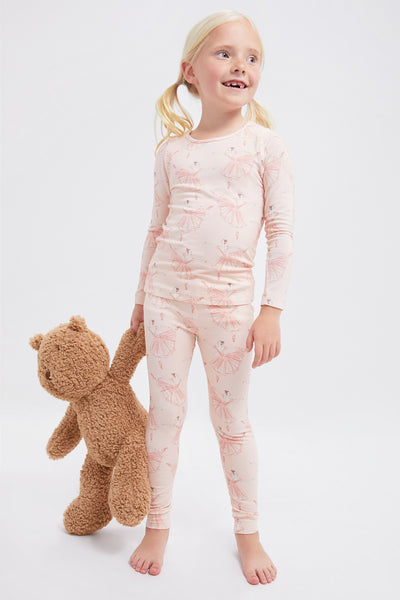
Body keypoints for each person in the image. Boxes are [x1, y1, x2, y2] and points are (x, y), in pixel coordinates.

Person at [128, 10, 294, 586]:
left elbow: (281, 232)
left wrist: (271, 309)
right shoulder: (172, 152)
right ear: (190, 71)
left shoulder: (265, 146)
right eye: (224, 53)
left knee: (232, 421)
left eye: (252, 57)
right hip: (166, 301)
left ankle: (248, 533)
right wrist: (140, 301)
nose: (240, 65)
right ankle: (157, 525)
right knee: (165, 417)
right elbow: (156, 228)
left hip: (229, 307)